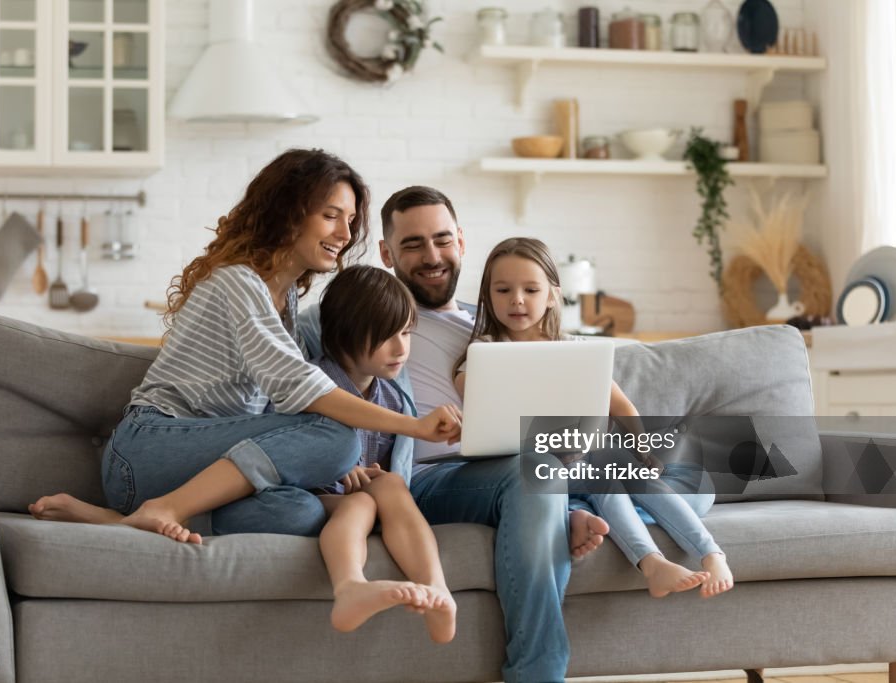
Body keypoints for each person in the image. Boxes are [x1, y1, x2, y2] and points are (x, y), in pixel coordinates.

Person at [28, 149, 461, 546]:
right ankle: (163, 509)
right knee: (339, 439)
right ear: (289, 214)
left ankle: (119, 521)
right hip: (150, 450)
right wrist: (417, 427)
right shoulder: (239, 282)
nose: (345, 234)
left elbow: (285, 407)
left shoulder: (286, 299)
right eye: (332, 215)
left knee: (301, 512)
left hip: (204, 467)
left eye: (349, 220)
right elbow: (305, 389)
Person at [299, 187, 608, 683]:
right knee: (537, 474)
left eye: (443, 240)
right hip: (421, 479)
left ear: (461, 241)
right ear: (386, 253)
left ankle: (573, 509)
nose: (432, 256)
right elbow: (293, 367)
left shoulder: (494, 320)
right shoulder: (365, 316)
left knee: (669, 476)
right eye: (414, 244)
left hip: (505, 464)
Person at [452, 236, 734, 600]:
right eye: (503, 290)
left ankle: (709, 555)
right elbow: (472, 398)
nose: (517, 299)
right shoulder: (486, 353)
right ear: (488, 296)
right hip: (528, 471)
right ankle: (651, 561)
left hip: (583, 462)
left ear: (552, 294)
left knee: (621, 474)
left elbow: (622, 407)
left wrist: (642, 449)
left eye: (530, 289)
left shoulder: (574, 349)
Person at [311, 265, 456, 642]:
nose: (401, 347)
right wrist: (338, 469)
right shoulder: (313, 385)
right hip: (316, 495)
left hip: (371, 497)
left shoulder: (392, 396)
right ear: (345, 335)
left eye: (406, 332)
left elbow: (391, 469)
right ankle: (351, 586)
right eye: (386, 336)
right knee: (362, 505)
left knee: (390, 486)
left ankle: (438, 590)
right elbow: (289, 452)